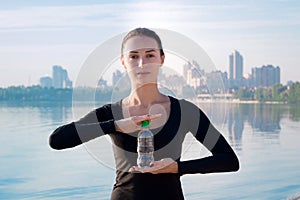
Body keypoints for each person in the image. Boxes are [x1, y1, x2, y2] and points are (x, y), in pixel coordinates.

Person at [49, 27, 239, 200]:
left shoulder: (185, 111)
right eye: (133, 56)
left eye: (150, 55)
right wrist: (115, 126)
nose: (142, 63)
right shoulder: (111, 113)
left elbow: (229, 160)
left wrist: (178, 168)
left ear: (161, 59)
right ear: (123, 62)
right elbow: (57, 140)